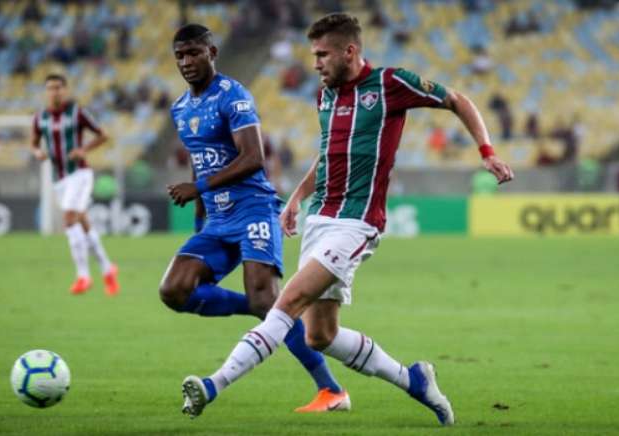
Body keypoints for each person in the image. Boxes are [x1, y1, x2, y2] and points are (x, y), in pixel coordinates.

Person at [178, 13, 514, 426]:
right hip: (320, 219)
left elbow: (457, 100)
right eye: (313, 55)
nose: (315, 64)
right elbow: (330, 156)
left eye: (322, 55)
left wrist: (487, 153)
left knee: (285, 305)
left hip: (357, 223)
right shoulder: (326, 96)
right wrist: (297, 199)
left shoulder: (391, 84)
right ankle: (414, 379)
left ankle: (212, 385)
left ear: (349, 51)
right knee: (321, 335)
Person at [161, 23, 349, 417]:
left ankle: (331, 390)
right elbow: (200, 162)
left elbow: (252, 159)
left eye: (194, 53)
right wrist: (200, 220)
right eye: (180, 55)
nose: (187, 62)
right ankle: (260, 307)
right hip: (217, 218)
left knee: (269, 300)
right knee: (174, 291)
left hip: (253, 209)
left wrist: (199, 188)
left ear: (212, 52)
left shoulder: (233, 96)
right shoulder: (180, 108)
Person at [30, 73, 119, 295]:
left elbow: (102, 135)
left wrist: (83, 149)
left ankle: (83, 276)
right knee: (83, 223)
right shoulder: (40, 118)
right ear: (46, 91)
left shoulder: (77, 113)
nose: (55, 91)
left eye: (59, 87)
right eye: (50, 88)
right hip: (58, 178)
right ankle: (108, 269)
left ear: (65, 90)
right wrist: (38, 152)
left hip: (79, 173)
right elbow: (33, 143)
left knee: (69, 218)